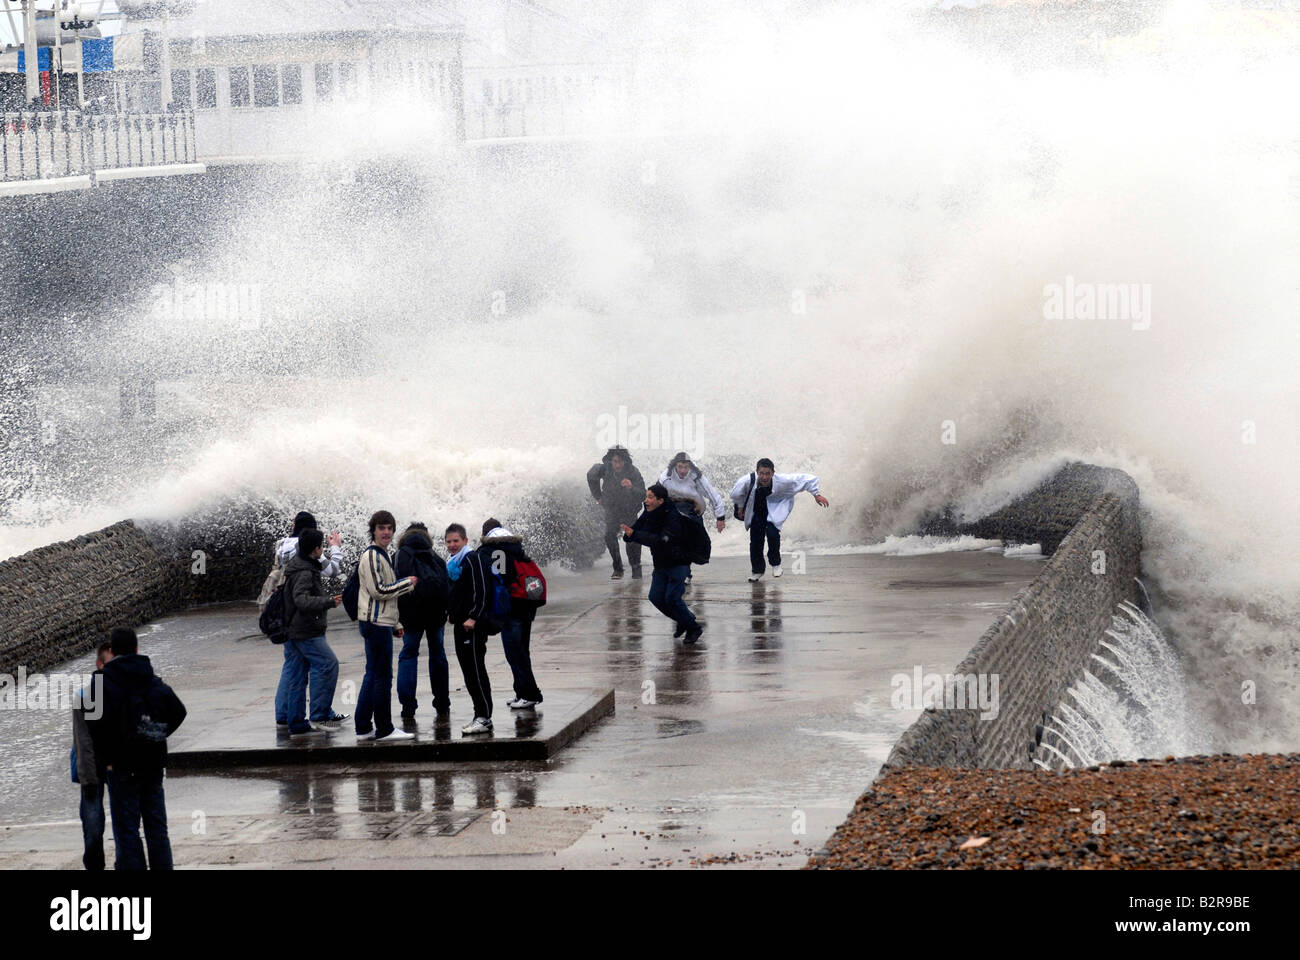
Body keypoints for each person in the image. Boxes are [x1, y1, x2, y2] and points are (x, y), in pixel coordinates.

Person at [87, 627, 187, 871]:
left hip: (120, 767)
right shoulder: (150, 678)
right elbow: (178, 711)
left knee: (127, 830)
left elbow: (93, 725)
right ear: (136, 649)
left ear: (111, 651)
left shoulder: (101, 683)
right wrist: (156, 734)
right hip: (152, 763)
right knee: (156, 827)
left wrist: (106, 758)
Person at [261, 510, 347, 731]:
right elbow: (334, 570)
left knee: (293, 666)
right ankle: (320, 713)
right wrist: (335, 546)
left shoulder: (282, 547)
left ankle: (286, 714)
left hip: (281, 613)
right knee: (323, 664)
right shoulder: (307, 554)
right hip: (301, 619)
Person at [356, 510, 418, 742]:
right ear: (373, 530)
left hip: (380, 622)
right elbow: (379, 591)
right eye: (382, 528)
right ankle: (384, 728)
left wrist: (396, 623)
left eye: (390, 528)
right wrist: (407, 584)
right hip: (375, 623)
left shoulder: (382, 554)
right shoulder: (372, 556)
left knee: (372, 675)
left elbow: (381, 595)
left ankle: (363, 728)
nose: (387, 532)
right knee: (382, 677)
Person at [282, 528, 345, 737]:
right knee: (328, 664)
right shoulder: (306, 571)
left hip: (294, 629)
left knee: (298, 675)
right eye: (321, 547)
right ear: (315, 549)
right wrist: (328, 601)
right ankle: (319, 716)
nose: (323, 550)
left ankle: (297, 723)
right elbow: (301, 599)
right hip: (305, 630)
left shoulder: (299, 565)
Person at [622, 483, 703, 643]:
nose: (646, 500)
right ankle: (684, 620)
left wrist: (635, 535)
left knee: (672, 599)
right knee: (656, 597)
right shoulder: (648, 512)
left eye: (650, 497)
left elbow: (663, 540)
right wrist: (629, 534)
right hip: (660, 564)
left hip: (678, 563)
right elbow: (636, 530)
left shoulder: (672, 516)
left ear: (660, 500)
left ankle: (694, 628)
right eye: (646, 497)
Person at [449, 520, 506, 735]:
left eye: (456, 541)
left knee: (475, 671)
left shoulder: (473, 559)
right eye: (449, 541)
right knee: (469, 672)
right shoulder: (454, 562)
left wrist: (473, 617)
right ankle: (481, 715)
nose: (452, 545)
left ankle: (483, 716)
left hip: (471, 627)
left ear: (465, 540)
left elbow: (482, 591)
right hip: (460, 624)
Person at [480, 519, 545, 711]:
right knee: (522, 651)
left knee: (515, 652)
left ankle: (529, 694)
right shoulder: (516, 548)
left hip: (512, 608)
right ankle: (521, 692)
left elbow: (500, 581)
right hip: (527, 605)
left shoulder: (495, 552)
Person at [731, 459, 829, 582]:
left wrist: (816, 494)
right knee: (756, 541)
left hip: (775, 508)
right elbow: (735, 494)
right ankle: (757, 571)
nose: (764, 477)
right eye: (761, 473)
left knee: (772, 534)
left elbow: (807, 479)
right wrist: (740, 507)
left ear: (773, 473)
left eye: (767, 473)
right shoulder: (747, 480)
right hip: (756, 510)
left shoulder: (783, 480)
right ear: (757, 472)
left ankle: (776, 564)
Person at [394, 522, 452, 723]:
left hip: (410, 616)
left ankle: (408, 705)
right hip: (436, 616)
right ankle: (442, 702)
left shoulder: (400, 555)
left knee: (408, 655)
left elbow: (396, 588)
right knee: (438, 654)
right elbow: (446, 587)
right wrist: (446, 612)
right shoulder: (435, 557)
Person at [70, 639, 113, 871]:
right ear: (99, 665)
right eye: (109, 664)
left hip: (117, 765)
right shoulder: (83, 698)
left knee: (125, 825)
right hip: (91, 766)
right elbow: (81, 742)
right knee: (94, 828)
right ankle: (94, 865)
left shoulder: (121, 692)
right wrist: (87, 779)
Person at [587, 445, 646, 579]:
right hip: (612, 508)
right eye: (615, 461)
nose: (617, 465)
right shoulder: (604, 469)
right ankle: (618, 568)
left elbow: (643, 494)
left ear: (625, 461)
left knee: (632, 539)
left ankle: (636, 568)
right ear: (610, 461)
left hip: (629, 509)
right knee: (609, 536)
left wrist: (631, 487)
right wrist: (598, 497)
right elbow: (590, 475)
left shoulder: (633, 472)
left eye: (620, 461)